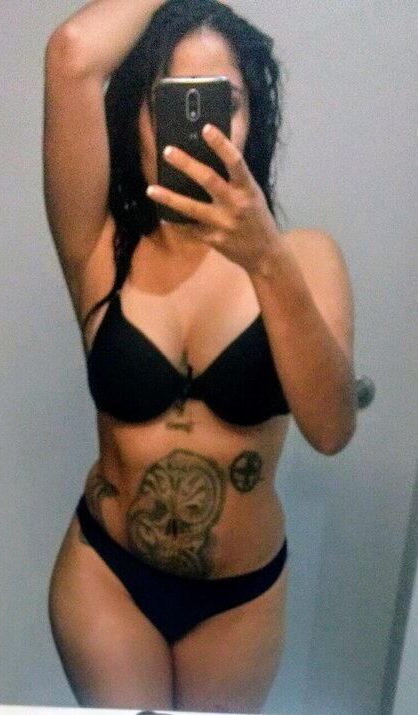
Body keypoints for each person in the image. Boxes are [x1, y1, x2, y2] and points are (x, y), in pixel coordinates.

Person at [44, 0, 356, 711]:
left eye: (224, 101)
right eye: (171, 100)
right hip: (107, 576)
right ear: (138, 116)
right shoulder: (98, 245)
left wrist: (265, 259)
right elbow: (71, 54)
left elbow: (332, 429)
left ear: (253, 119)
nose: (202, 122)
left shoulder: (306, 257)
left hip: (238, 603)